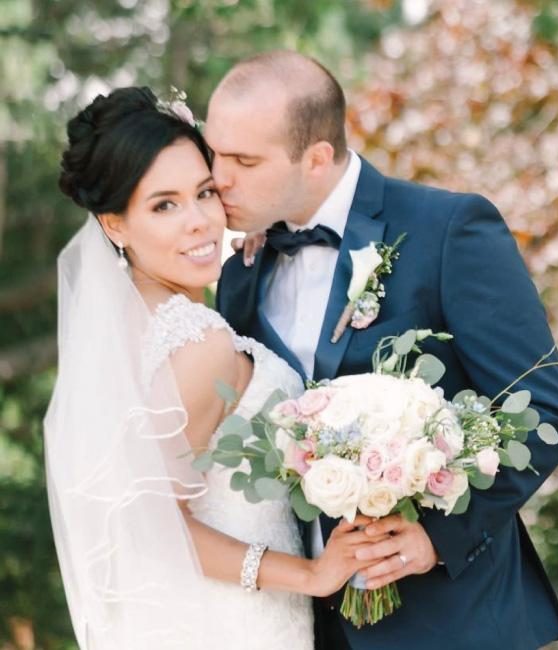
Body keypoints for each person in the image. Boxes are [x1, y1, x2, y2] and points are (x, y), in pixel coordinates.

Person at [209, 51, 558, 649]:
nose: (219, 179)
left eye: (244, 161)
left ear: (317, 157)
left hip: (451, 621)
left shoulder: (448, 231)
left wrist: (436, 538)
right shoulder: (240, 274)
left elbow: (544, 415)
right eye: (215, 153)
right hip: (300, 623)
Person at [46, 86, 382, 649]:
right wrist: (309, 574)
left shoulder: (131, 328)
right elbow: (152, 528)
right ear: (114, 225)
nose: (200, 222)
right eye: (163, 205)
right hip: (237, 622)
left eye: (204, 193)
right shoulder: (197, 342)